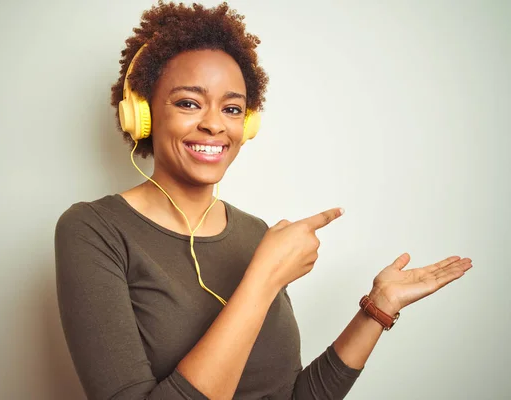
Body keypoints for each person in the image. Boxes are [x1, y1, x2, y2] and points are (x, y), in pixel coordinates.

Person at [54, 2, 472, 399]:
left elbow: (292, 396)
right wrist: (264, 277)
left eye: (232, 109)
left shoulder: (257, 234)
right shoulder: (94, 230)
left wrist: (377, 310)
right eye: (188, 103)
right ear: (142, 114)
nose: (214, 124)